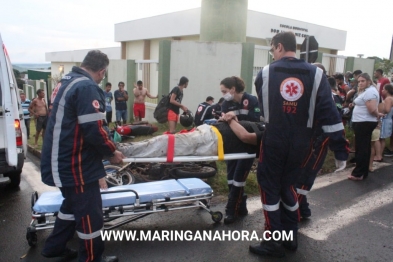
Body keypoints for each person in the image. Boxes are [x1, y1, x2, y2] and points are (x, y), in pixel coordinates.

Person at [251, 31, 347, 257]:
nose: (273, 54)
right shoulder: (316, 74)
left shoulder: (265, 73)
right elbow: (329, 114)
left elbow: (266, 109)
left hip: (275, 138)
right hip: (302, 142)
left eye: (273, 49)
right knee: (289, 186)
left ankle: (273, 240)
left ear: (279, 47)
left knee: (269, 187)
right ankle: (291, 236)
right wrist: (340, 150)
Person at [40, 50, 124, 262]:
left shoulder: (66, 80)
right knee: (89, 216)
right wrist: (112, 151)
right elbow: (95, 129)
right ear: (102, 71)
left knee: (71, 206)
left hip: (59, 159)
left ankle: (54, 248)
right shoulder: (87, 87)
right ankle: (91, 258)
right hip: (75, 165)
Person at [220, 76, 261, 224]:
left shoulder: (251, 100)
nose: (223, 94)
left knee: (238, 179)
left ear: (233, 89)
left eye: (225, 91)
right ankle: (241, 206)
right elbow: (225, 125)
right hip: (232, 146)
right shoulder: (226, 104)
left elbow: (255, 121)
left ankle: (231, 210)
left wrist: (234, 120)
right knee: (231, 179)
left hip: (247, 145)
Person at [118, 118, 264, 157]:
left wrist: (231, 120)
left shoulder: (271, 134)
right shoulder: (264, 125)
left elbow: (246, 137)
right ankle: (124, 148)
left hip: (211, 141)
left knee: (165, 142)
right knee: (165, 139)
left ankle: (121, 151)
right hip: (208, 133)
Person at [348, 73, 383, 181]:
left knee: (362, 148)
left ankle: (359, 173)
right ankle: (362, 171)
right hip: (363, 122)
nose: (360, 83)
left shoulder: (370, 92)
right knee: (364, 147)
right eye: (359, 81)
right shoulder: (368, 91)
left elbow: (371, 109)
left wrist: (377, 114)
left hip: (364, 123)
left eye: (363, 81)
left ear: (368, 81)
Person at [380, 84, 393, 157]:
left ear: (387, 90)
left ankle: (380, 153)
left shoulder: (388, 99)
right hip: (389, 119)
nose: (382, 91)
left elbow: (387, 110)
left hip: (385, 119)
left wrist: (381, 110)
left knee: (382, 138)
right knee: (383, 138)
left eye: (383, 89)